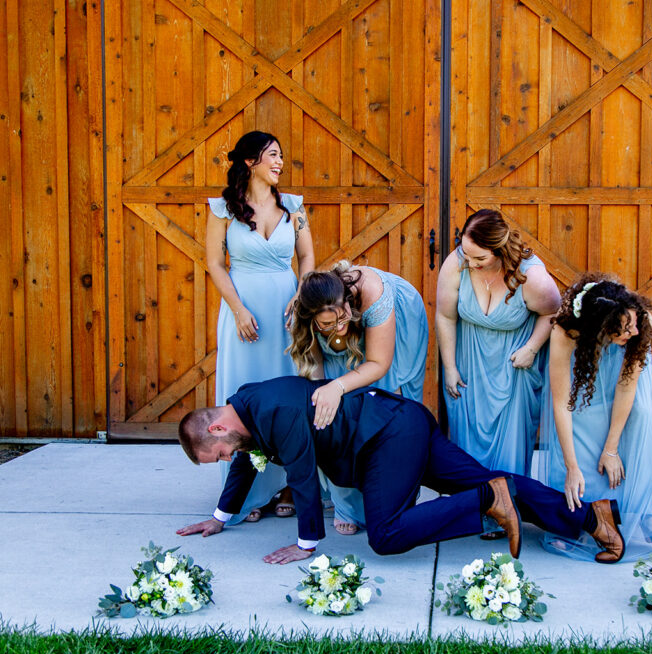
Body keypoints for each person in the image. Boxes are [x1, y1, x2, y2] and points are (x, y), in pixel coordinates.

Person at [175, 376, 626, 565]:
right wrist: (220, 517)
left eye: (217, 454)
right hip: (399, 424)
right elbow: (247, 465)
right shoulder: (245, 408)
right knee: (490, 480)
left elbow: (304, 479)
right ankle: (593, 517)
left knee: (385, 534)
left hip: (384, 439)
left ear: (217, 428)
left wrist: (306, 543)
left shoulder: (272, 412)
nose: (226, 460)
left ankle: (488, 503)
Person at [205, 130, 315, 526]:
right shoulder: (223, 209)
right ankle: (247, 491)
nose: (280, 162)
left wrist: (301, 297)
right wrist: (237, 309)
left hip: (286, 311)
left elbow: (307, 258)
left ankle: (288, 485)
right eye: (272, 155)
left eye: (281, 155)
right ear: (250, 161)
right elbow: (216, 264)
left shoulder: (295, 207)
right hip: (244, 310)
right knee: (245, 393)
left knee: (286, 392)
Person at [436, 209, 560, 538]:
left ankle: (505, 511)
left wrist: (532, 348)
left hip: (512, 366)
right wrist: (449, 367)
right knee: (465, 438)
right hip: (468, 362)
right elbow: (445, 316)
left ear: (498, 249)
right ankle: (472, 507)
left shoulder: (531, 277)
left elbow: (553, 313)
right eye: (465, 252)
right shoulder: (457, 262)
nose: (469, 262)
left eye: (478, 257)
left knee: (510, 443)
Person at [532, 274, 652, 561]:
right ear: (598, 327)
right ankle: (582, 515)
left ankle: (648, 512)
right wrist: (572, 467)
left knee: (641, 418)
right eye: (622, 329)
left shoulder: (639, 323)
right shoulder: (565, 331)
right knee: (581, 427)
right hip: (584, 375)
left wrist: (611, 449)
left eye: (632, 324)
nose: (632, 332)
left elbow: (626, 387)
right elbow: (562, 405)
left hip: (622, 380)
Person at [286, 262, 429, 535]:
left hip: (395, 328)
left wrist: (338, 386)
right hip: (335, 338)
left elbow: (378, 363)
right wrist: (326, 392)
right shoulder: (301, 318)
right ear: (311, 319)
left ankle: (396, 495)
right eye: (328, 324)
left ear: (346, 304)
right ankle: (346, 505)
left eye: (343, 318)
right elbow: (315, 371)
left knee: (390, 406)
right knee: (334, 415)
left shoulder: (374, 296)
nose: (339, 328)